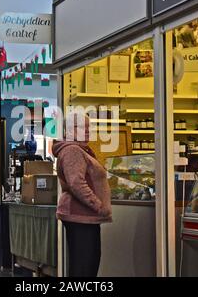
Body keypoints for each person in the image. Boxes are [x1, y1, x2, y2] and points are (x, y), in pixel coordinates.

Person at [52, 113, 112, 277]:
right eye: (82, 127)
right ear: (70, 130)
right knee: (84, 267)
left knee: (87, 264)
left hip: (84, 216)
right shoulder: (72, 150)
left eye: (88, 127)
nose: (88, 131)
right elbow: (76, 183)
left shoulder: (79, 149)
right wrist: (98, 205)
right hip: (80, 215)